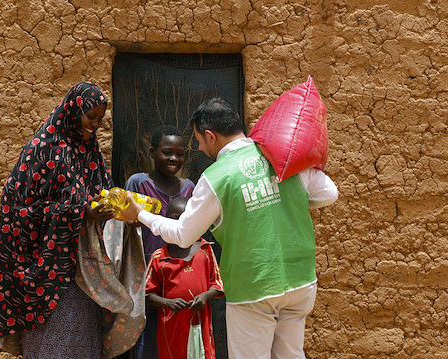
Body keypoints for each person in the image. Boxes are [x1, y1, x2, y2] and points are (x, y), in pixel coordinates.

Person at [120, 98, 339, 359]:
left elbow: (182, 234)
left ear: (210, 136)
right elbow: (329, 194)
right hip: (300, 280)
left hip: (254, 287)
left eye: (199, 141)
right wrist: (280, 199)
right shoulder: (280, 155)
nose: (199, 148)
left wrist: (141, 214)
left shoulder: (216, 177)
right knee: (290, 354)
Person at [0, 81, 118, 358]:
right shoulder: (42, 150)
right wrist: (79, 212)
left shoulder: (90, 153)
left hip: (84, 272)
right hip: (46, 276)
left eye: (100, 119)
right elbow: (18, 210)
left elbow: (100, 195)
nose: (95, 125)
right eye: (90, 117)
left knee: (82, 345)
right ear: (73, 111)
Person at [124, 125, 195, 359]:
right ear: (153, 152)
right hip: (145, 275)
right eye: (167, 152)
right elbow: (125, 227)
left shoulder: (190, 189)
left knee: (176, 338)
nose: (174, 158)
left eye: (179, 153)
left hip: (178, 277)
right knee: (146, 339)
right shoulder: (138, 184)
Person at [145, 196, 223, 359]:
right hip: (172, 325)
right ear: (165, 222)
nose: (179, 224)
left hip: (200, 321)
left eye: (184, 218)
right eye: (174, 219)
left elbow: (217, 284)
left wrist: (205, 296)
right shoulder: (159, 257)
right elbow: (146, 294)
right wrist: (167, 303)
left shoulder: (205, 250)